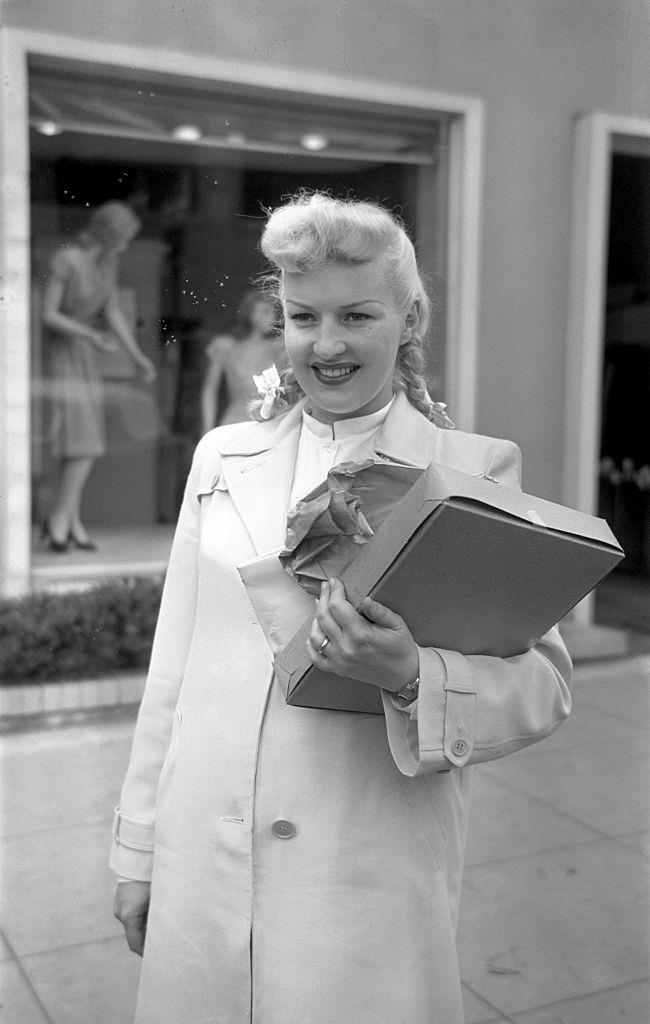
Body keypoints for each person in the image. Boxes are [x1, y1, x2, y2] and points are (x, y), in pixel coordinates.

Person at [111, 192, 572, 1024]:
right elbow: (173, 670)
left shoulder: (470, 476)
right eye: (302, 316)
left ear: (409, 318)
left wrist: (412, 674)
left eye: (356, 314)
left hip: (361, 891)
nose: (325, 345)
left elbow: (543, 687)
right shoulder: (222, 457)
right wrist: (140, 851)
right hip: (200, 870)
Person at [41, 201, 156, 551]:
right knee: (82, 442)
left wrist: (137, 356)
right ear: (108, 234)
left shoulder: (107, 265)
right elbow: (48, 314)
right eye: (122, 238)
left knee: (83, 440)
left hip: (84, 357)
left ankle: (69, 521)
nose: (124, 246)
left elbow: (113, 313)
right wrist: (89, 335)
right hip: (63, 355)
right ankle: (61, 518)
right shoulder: (68, 260)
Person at [199, 288, 285, 431]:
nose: (271, 318)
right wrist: (207, 430)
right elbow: (210, 390)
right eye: (264, 312)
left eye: (273, 313)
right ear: (250, 314)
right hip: (235, 423)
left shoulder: (280, 348)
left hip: (272, 425)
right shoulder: (227, 348)